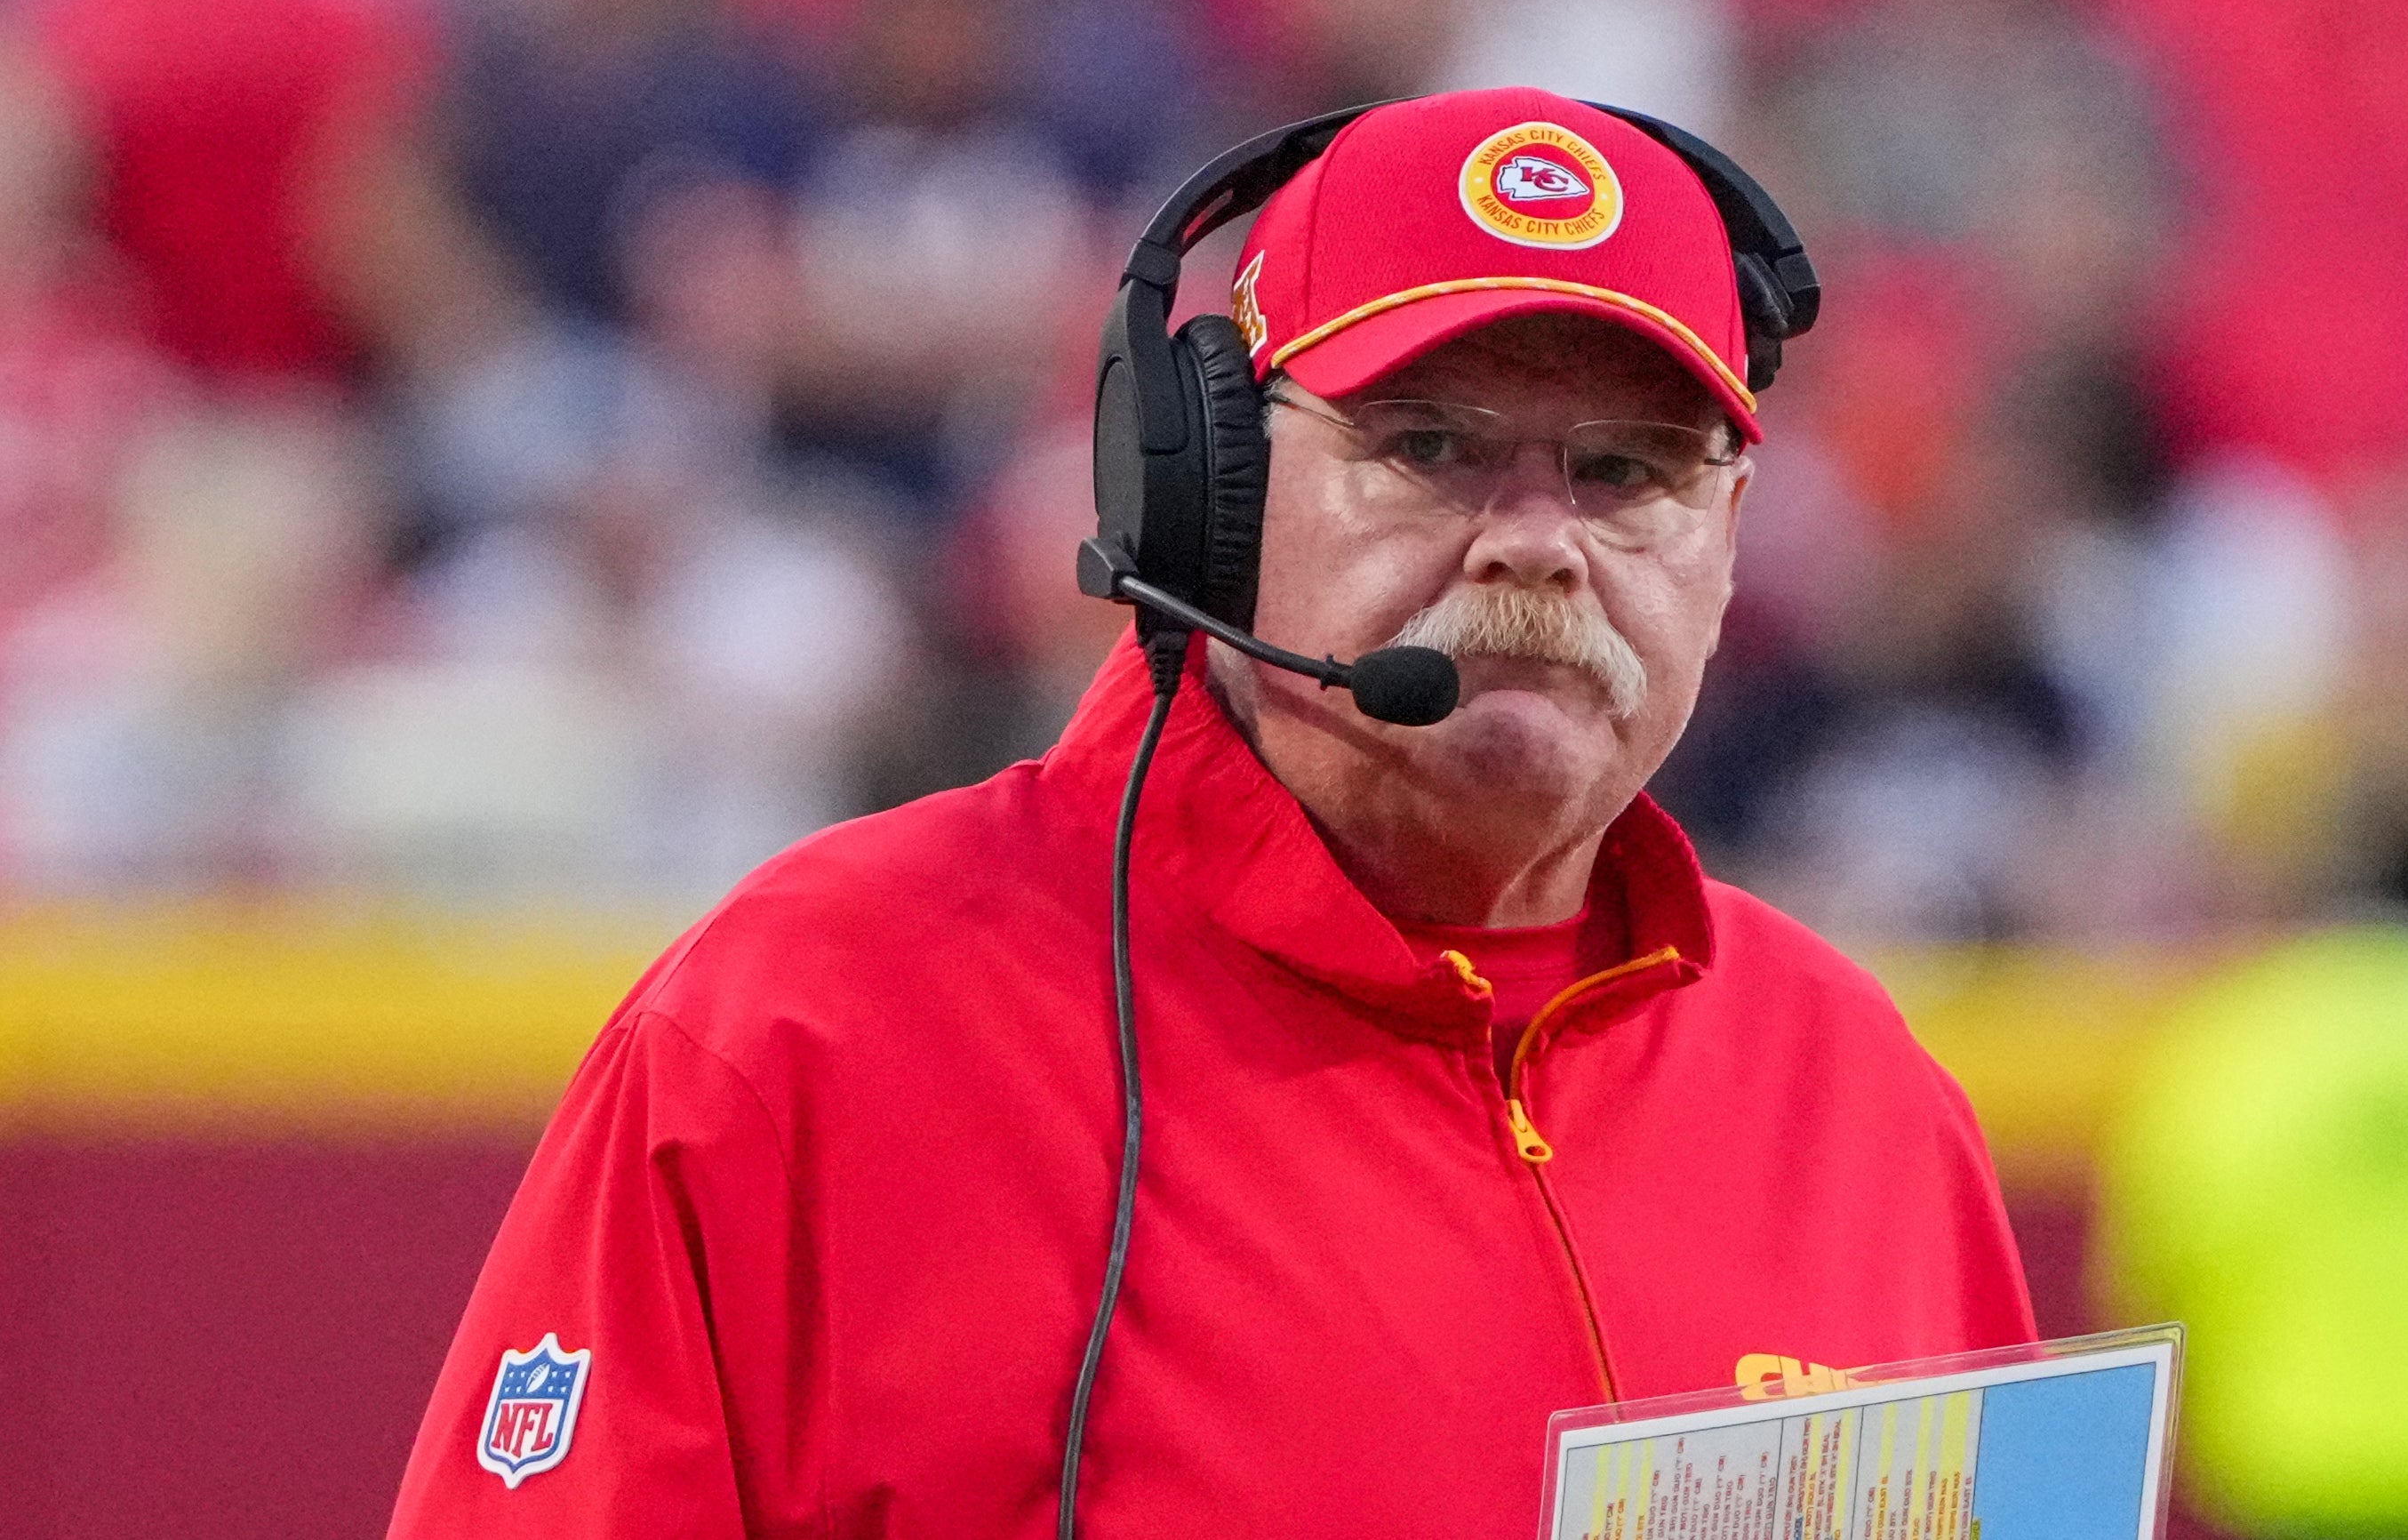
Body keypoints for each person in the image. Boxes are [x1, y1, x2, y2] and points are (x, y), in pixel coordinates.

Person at [388, 88, 2034, 1538]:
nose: (1538, 542)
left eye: (1627, 472)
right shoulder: (806, 1026)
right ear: (1209, 487)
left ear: (1734, 531)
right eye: (1428, 446)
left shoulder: (1864, 1102)